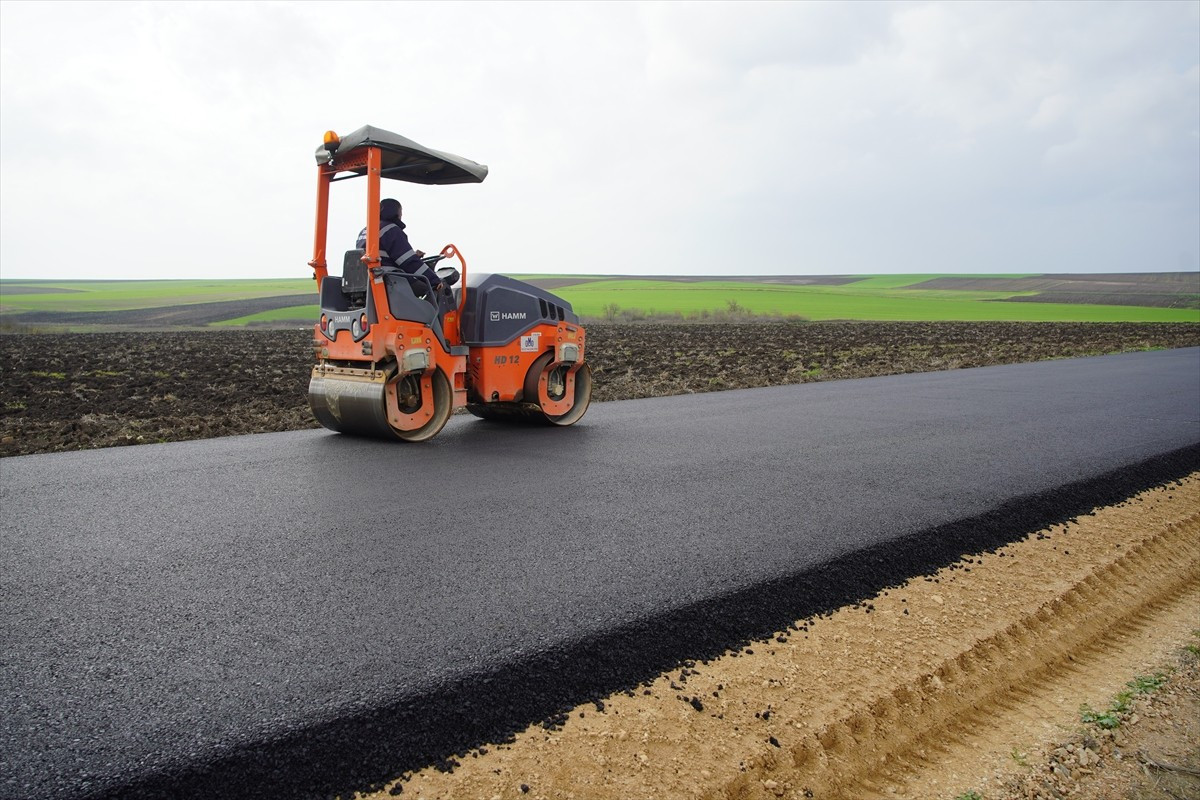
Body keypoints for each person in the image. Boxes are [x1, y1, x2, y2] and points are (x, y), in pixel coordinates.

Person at [357, 198, 443, 295]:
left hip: (370, 280)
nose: (401, 215)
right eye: (400, 212)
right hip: (390, 280)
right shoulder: (391, 230)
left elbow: (386, 256)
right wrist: (434, 280)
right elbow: (409, 261)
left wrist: (415, 256)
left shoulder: (365, 231)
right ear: (395, 212)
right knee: (429, 290)